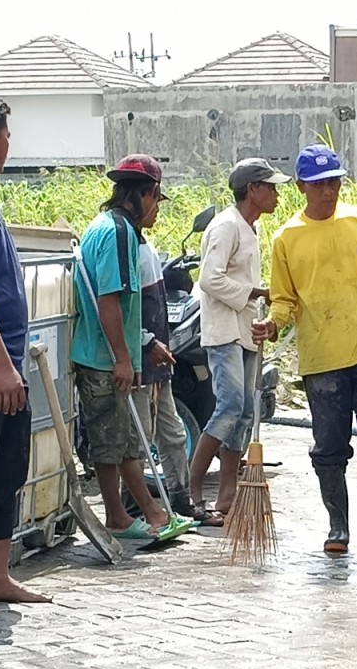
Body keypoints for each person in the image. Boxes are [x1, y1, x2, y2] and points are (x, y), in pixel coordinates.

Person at [253, 145, 357, 555]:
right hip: (322, 360)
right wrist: (273, 324)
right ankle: (338, 525)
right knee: (329, 446)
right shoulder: (287, 239)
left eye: (334, 182)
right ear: (301, 188)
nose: (328, 191)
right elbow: (284, 299)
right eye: (318, 185)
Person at [0, 91, 51, 618]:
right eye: (7, 137)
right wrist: (0, 364)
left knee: (3, 473)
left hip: (4, 365)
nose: (8, 147)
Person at [71, 154, 172, 539]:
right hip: (103, 356)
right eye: (158, 202)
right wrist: (123, 358)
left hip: (105, 353)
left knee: (126, 440)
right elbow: (110, 300)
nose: (157, 212)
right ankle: (121, 515)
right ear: (148, 194)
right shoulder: (118, 233)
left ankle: (145, 511)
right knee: (111, 442)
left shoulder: (108, 226)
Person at [189, 158, 289, 526]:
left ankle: (228, 495)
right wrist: (254, 292)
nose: (277, 195)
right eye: (271, 188)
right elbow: (210, 280)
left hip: (244, 330)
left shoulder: (248, 227)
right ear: (253, 190)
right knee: (230, 406)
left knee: (245, 412)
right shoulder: (226, 226)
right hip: (224, 331)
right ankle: (195, 490)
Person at [133, 180, 192, 518]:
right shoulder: (123, 242)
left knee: (172, 433)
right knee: (140, 438)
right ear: (140, 197)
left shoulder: (146, 244)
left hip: (158, 359)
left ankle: (180, 501)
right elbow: (122, 305)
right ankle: (137, 507)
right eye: (155, 201)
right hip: (142, 358)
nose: (158, 209)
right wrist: (145, 342)